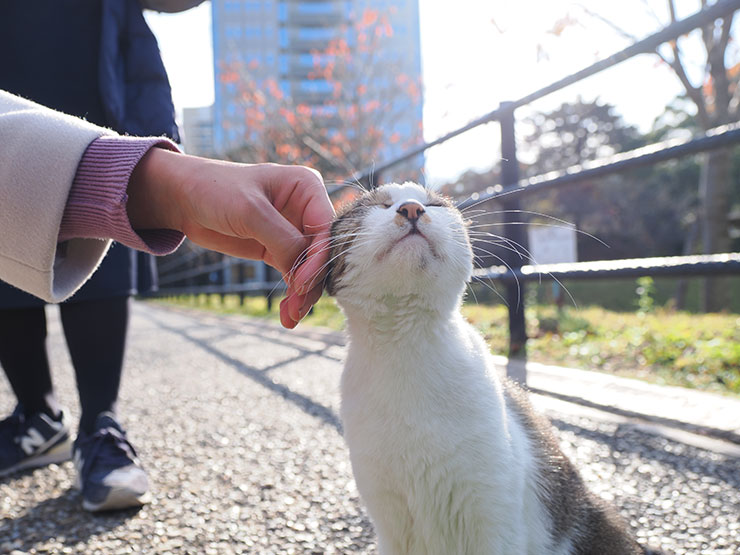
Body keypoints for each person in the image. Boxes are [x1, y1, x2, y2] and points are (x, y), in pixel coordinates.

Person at [0, 88, 332, 509]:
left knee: (108, 248)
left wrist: (168, 185)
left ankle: (101, 423)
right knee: (10, 262)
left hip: (99, 62)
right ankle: (37, 416)